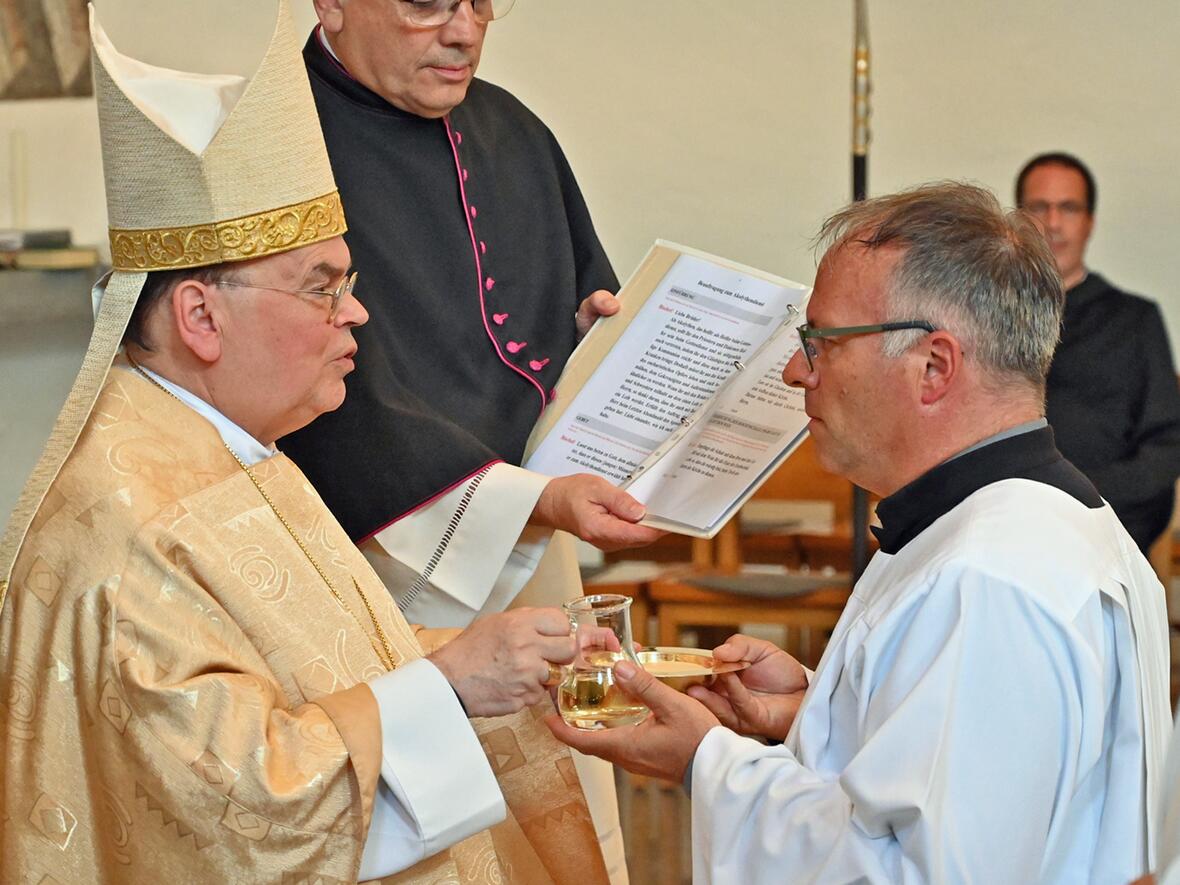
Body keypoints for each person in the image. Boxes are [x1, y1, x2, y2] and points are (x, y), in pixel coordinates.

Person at [0, 4, 610, 882]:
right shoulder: (138, 530)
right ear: (201, 315)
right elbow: (241, 808)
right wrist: (448, 686)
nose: (356, 311)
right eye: (322, 287)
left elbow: (331, 677)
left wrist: (502, 659)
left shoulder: (232, 454)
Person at [547, 183, 1172, 883]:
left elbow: (909, 871)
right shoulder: (1049, 522)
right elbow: (984, 770)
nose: (795, 371)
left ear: (934, 367)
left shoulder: (987, 579)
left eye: (821, 341)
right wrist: (820, 706)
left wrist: (706, 760)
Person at [283, 2, 654, 877]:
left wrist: (596, 350)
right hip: (366, 564)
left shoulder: (513, 129)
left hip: (533, 544)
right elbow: (307, 397)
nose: (464, 31)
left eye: (482, 2)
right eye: (426, 3)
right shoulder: (278, 148)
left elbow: (555, 324)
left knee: (561, 838)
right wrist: (531, 499)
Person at [1016, 152, 1180, 553]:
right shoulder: (985, 317)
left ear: (1089, 221)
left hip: (1105, 527)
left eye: (1068, 208)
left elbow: (1166, 444)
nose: (1053, 223)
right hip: (1005, 525)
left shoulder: (1135, 320)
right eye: (1040, 207)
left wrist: (1080, 500)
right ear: (1017, 221)